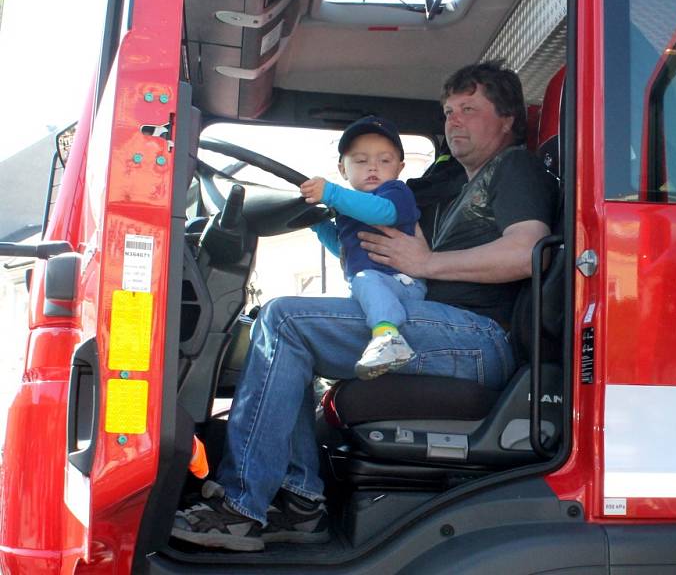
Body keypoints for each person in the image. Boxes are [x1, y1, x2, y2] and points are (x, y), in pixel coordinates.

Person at [171, 60, 559, 551]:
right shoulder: (458, 189)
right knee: (283, 325)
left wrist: (426, 262)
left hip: (480, 339)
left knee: (285, 319)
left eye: (469, 109)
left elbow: (527, 251)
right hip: (447, 332)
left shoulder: (514, 167)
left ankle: (240, 506)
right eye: (447, 111)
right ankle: (300, 502)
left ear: (506, 120)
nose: (453, 121)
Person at [300, 116, 426, 379]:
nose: (373, 168)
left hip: (401, 283)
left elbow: (384, 214)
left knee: (365, 278)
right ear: (343, 168)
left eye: (384, 160)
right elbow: (344, 250)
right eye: (360, 160)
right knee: (357, 285)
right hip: (373, 287)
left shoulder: (395, 192)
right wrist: (316, 224)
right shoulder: (349, 206)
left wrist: (332, 194)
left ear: (400, 168)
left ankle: (389, 338)